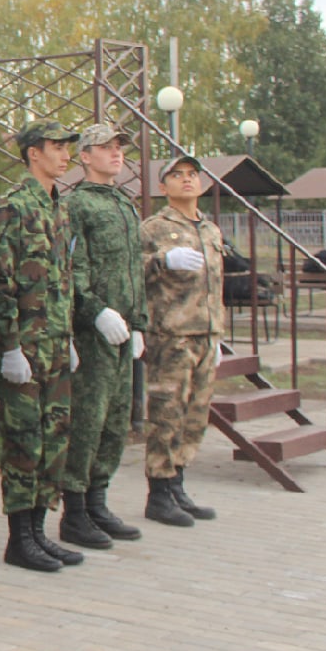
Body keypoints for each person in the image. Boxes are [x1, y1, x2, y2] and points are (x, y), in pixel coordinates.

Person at [0, 120, 86, 573]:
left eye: (67, 148)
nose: (65, 155)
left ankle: (39, 531)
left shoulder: (58, 207)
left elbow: (64, 278)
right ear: (33, 153)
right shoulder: (13, 205)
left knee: (54, 438)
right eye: (57, 147)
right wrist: (8, 345)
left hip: (56, 344)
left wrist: (68, 337)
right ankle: (19, 538)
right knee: (24, 442)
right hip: (24, 348)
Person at [60, 124, 148, 548]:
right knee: (89, 420)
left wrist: (140, 323)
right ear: (84, 156)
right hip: (93, 330)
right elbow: (72, 268)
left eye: (119, 148)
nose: (116, 154)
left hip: (124, 328)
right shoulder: (76, 204)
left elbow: (135, 268)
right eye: (106, 147)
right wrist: (94, 311)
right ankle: (75, 510)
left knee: (116, 420)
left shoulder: (124, 203)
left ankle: (98, 501)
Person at [140, 153, 225, 527]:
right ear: (163, 186)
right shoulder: (153, 228)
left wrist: (218, 334)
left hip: (205, 334)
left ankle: (177, 484)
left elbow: (216, 286)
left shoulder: (210, 230)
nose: (187, 180)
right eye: (177, 175)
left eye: (193, 174)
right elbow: (131, 271)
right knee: (167, 414)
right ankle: (159, 492)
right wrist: (161, 260)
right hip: (171, 336)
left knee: (195, 415)